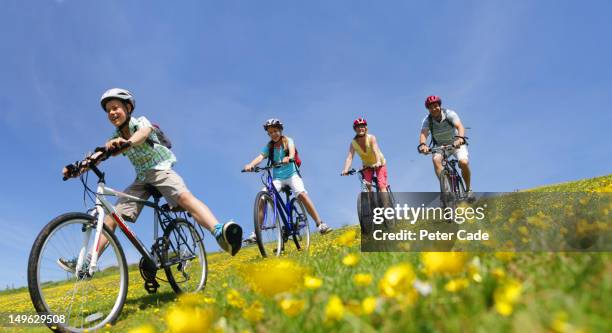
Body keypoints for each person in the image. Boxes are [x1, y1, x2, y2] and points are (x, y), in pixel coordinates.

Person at [58, 88, 242, 273]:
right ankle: (87, 261)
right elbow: (100, 153)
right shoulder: (114, 137)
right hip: (142, 179)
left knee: (184, 197)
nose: (112, 113)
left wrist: (126, 143)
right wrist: (78, 168)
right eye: (108, 111)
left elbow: (143, 134)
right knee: (111, 217)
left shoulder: (141, 122)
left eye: (115, 107)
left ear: (128, 107)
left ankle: (219, 232)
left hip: (160, 169)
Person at [243, 118, 332, 242]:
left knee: (302, 195)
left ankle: (320, 224)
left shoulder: (288, 140)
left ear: (280, 130)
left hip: (292, 175)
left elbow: (291, 151)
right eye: (270, 132)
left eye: (275, 131)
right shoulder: (269, 147)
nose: (273, 134)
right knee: (262, 198)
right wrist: (251, 164)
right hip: (278, 179)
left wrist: (289, 157)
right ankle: (256, 232)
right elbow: (260, 157)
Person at [417, 95, 474, 199]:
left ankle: (468, 189)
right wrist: (423, 145)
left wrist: (460, 138)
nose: (434, 109)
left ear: (439, 106)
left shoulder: (449, 114)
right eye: (431, 107)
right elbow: (423, 134)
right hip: (440, 146)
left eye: (435, 106)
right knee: (436, 160)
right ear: (428, 109)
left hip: (456, 144)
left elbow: (459, 126)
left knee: (464, 162)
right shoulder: (427, 120)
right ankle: (446, 190)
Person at [340, 118, 389, 192]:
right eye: (358, 127)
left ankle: (386, 203)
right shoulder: (353, 143)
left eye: (362, 126)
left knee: (381, 185)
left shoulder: (371, 138)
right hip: (367, 166)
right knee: (366, 185)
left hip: (379, 164)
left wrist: (378, 162)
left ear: (366, 128)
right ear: (355, 129)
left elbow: (375, 150)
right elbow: (349, 158)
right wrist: (346, 169)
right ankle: (372, 202)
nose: (360, 128)